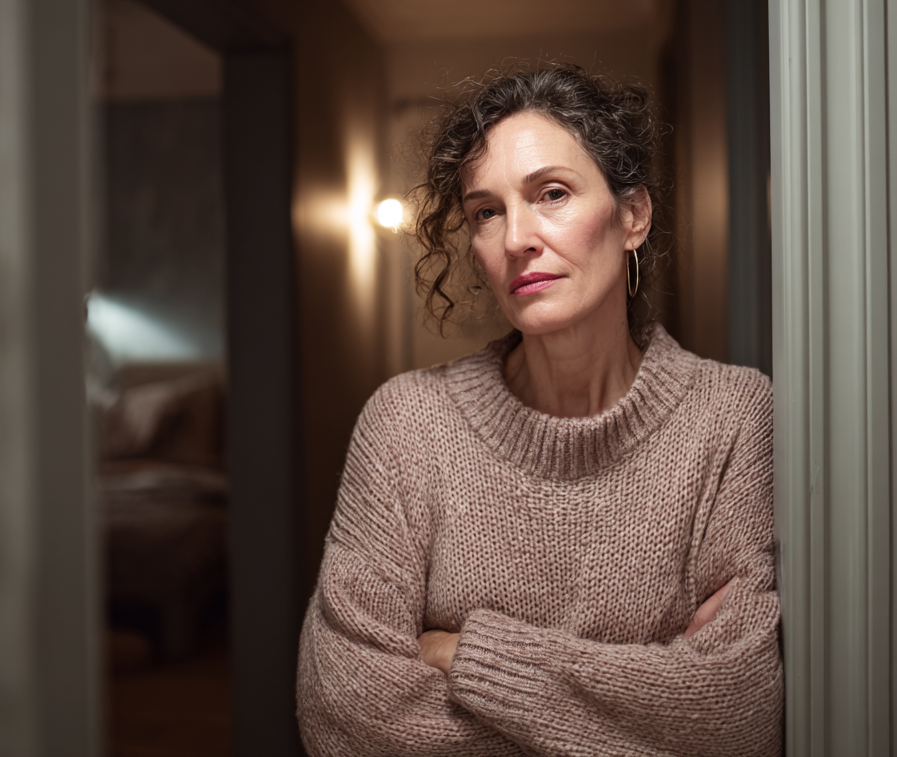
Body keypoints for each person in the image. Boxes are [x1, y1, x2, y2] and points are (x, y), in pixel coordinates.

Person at [296, 64, 782, 756]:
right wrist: (642, 699)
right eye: (486, 212)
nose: (516, 237)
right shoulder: (407, 424)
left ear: (632, 216)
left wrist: (465, 655)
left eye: (551, 193)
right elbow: (345, 717)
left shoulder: (732, 417)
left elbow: (737, 713)